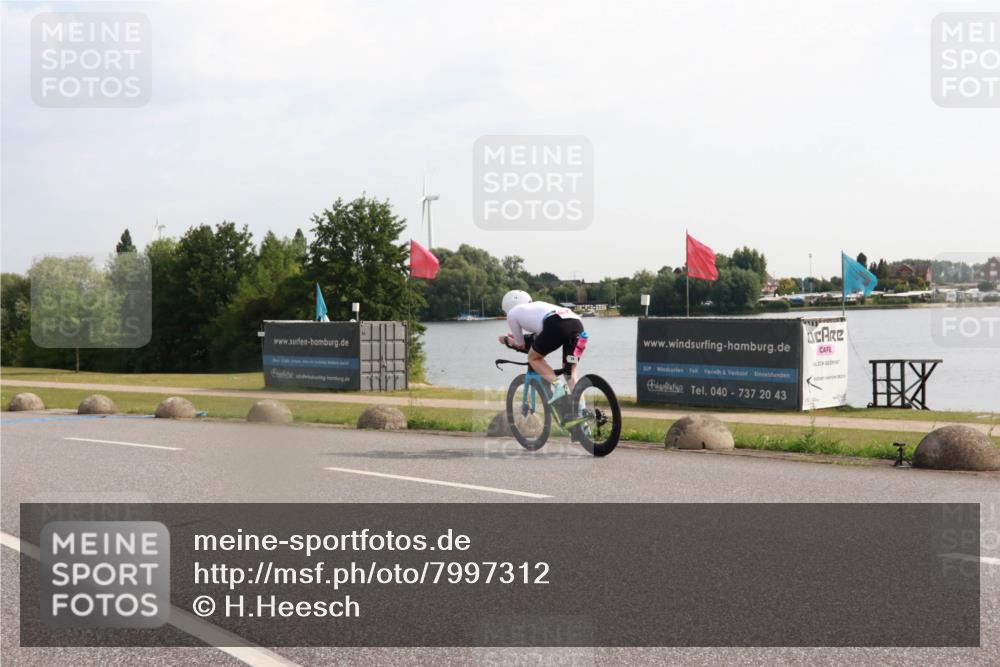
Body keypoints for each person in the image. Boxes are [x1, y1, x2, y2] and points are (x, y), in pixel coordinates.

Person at [498, 290, 585, 407]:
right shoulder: (539, 307)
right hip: (577, 325)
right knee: (570, 373)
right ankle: (582, 412)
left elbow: (520, 345)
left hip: (555, 324)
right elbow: (539, 337)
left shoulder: (512, 313)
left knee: (533, 358)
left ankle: (558, 386)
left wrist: (507, 340)